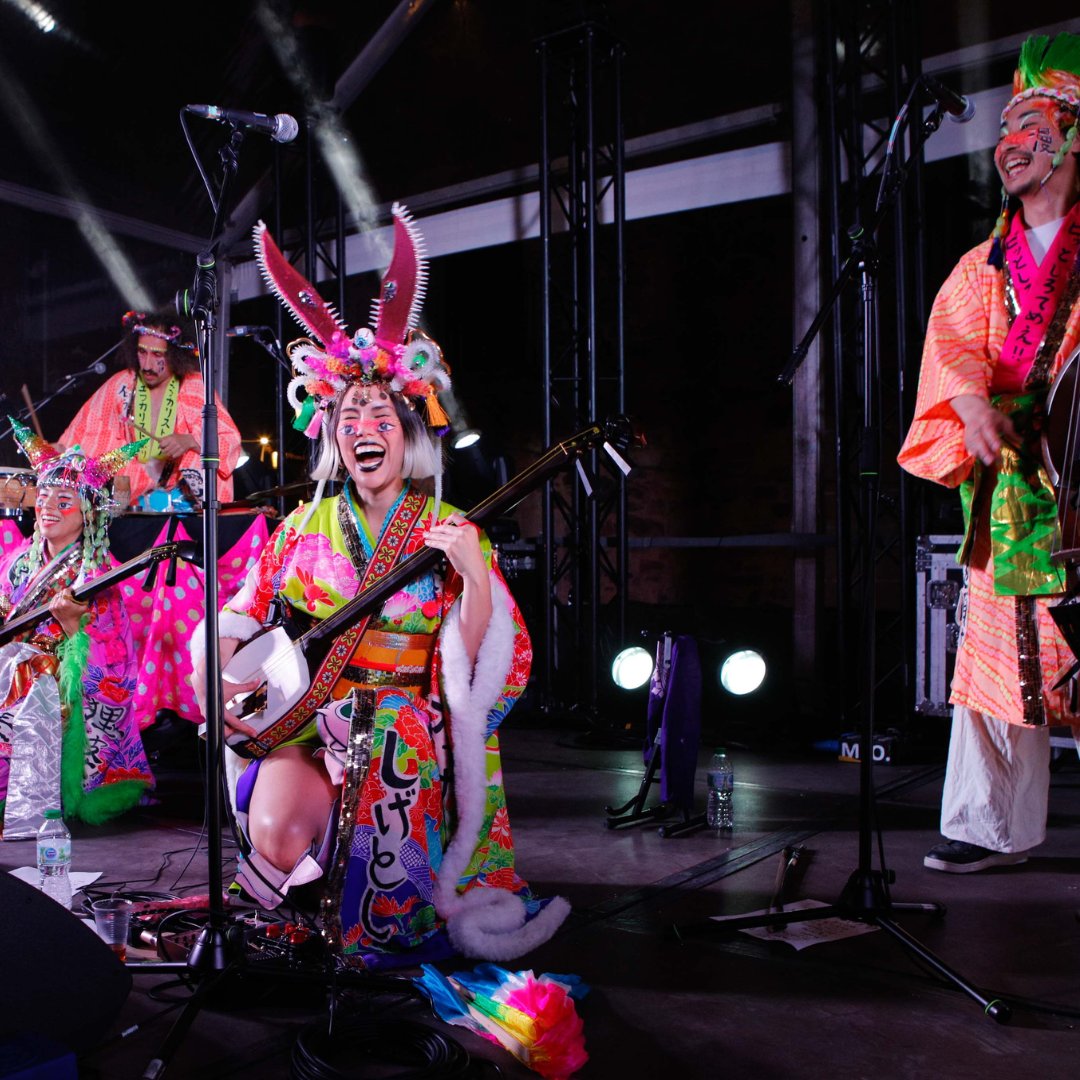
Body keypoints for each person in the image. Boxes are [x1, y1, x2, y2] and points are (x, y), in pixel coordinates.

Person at [193, 204, 569, 967]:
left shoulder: (452, 524)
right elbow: (239, 614)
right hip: (307, 707)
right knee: (277, 835)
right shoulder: (301, 526)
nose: (364, 425)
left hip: (406, 721)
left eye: (381, 413)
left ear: (409, 431)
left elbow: (475, 671)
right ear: (332, 434)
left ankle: (369, 925)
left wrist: (474, 584)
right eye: (349, 414)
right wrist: (228, 676)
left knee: (387, 743)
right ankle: (307, 889)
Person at [898, 32, 1080, 872]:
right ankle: (986, 829)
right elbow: (954, 344)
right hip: (1012, 498)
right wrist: (969, 404)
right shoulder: (984, 265)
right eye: (1002, 126)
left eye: (1029, 122)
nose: (1008, 142)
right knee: (994, 669)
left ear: (1073, 134)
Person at [0, 420, 153, 836]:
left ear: (87, 514)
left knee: (20, 690)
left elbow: (115, 665)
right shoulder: (17, 562)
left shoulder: (98, 575)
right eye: (44, 495)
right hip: (10, 665)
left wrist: (72, 631)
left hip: (49, 680)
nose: (48, 506)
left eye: (64, 500)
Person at [57, 310, 242, 508]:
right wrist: (57, 453)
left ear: (174, 355)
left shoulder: (195, 385)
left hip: (185, 503)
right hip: (132, 501)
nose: (147, 365)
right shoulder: (123, 384)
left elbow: (228, 439)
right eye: (142, 352)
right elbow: (79, 436)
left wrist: (190, 441)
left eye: (157, 355)